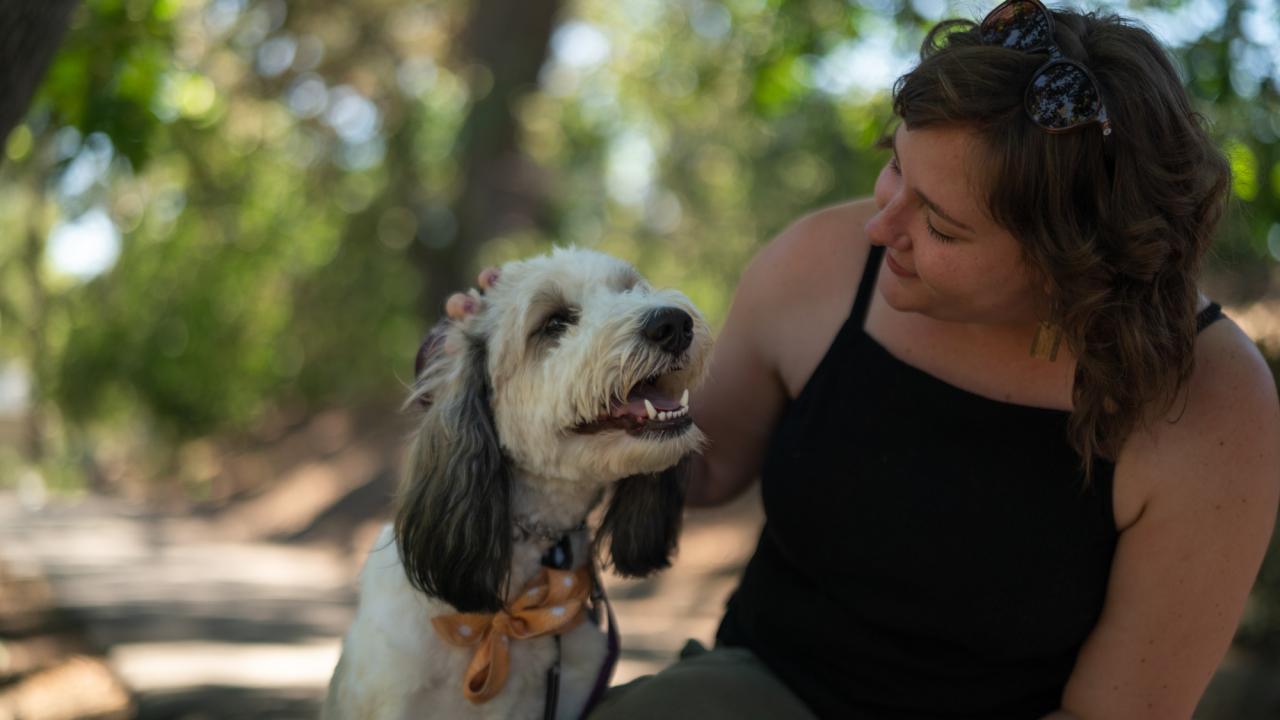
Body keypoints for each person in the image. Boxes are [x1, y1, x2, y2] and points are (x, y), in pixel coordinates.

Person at [440, 1, 1280, 717]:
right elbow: (699, 464)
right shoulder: (821, 264)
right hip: (764, 690)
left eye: (941, 225)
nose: (881, 226)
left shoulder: (1211, 407)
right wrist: (516, 378)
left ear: (1075, 263)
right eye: (893, 166)